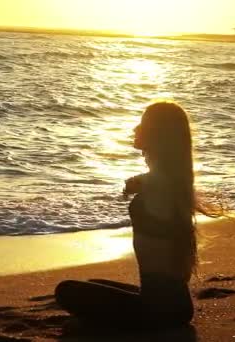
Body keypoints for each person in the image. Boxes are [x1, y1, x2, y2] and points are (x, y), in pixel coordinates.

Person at [55, 102, 221, 330]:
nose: (135, 129)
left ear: (158, 135)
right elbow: (153, 179)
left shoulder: (160, 184)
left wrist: (138, 183)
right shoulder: (176, 181)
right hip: (175, 305)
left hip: (159, 311)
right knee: (93, 284)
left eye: (142, 124)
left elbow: (152, 182)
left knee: (66, 291)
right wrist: (139, 181)